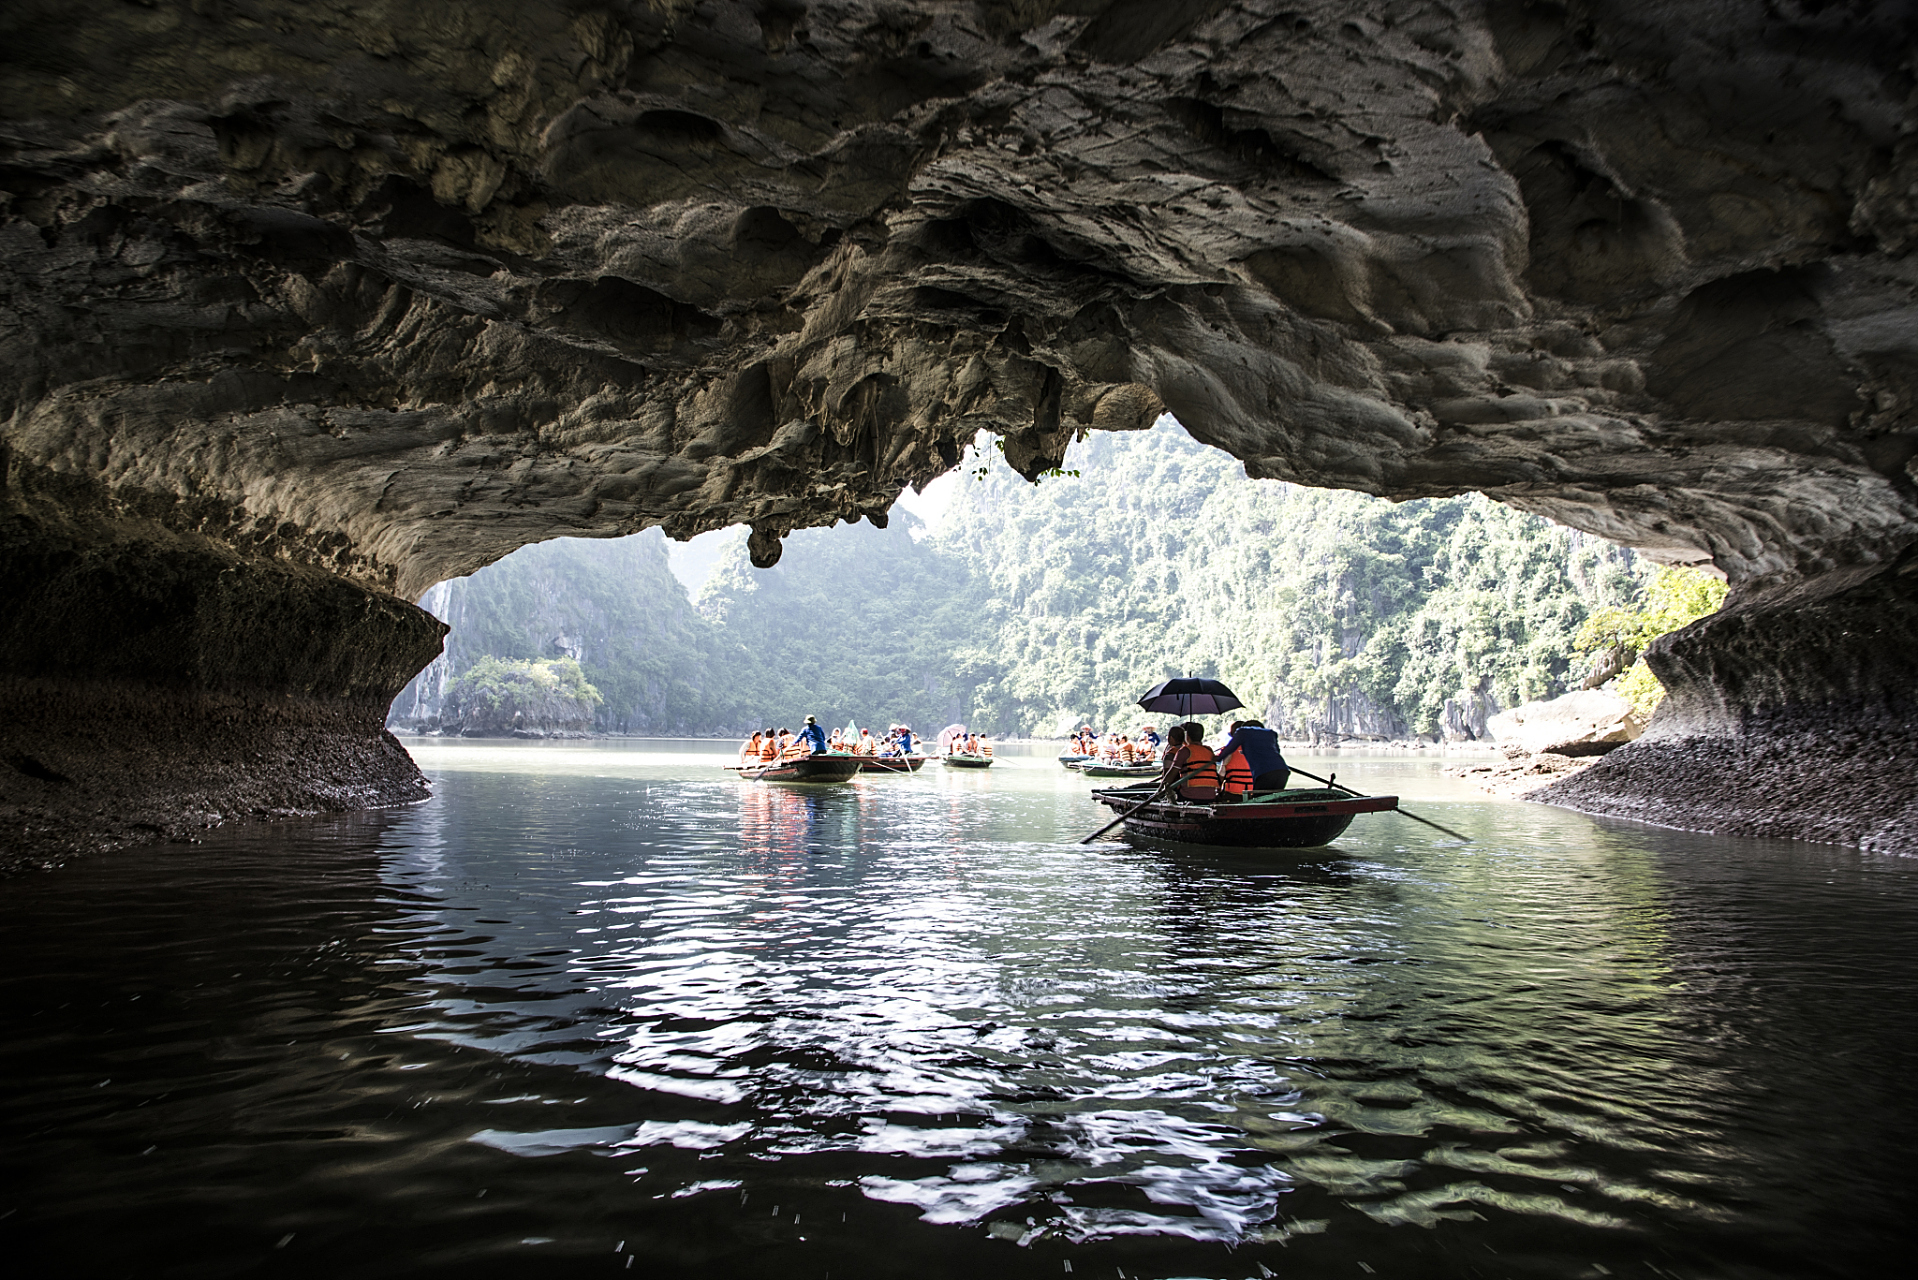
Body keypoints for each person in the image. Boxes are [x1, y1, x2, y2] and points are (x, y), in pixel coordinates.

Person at [1213, 718, 1290, 793]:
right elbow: (1277, 752)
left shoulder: (1243, 732)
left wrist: (1217, 758)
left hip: (1264, 773)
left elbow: (1229, 749)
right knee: (1272, 799)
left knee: (1258, 801)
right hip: (1283, 771)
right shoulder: (1271, 733)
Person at [1170, 720, 1218, 801]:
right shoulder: (1209, 750)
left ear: (1187, 736)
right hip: (1211, 796)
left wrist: (1160, 789)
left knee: (1174, 794)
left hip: (1188, 796)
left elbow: (1172, 774)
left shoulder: (1184, 751)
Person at [1218, 720, 1255, 799]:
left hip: (1232, 793)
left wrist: (1218, 789)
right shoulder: (1257, 751)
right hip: (1252, 793)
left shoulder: (1228, 751)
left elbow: (1222, 774)